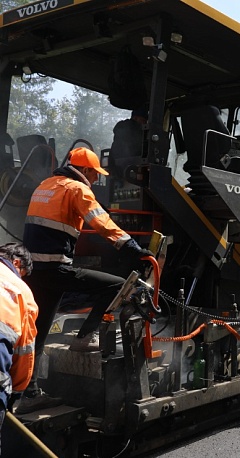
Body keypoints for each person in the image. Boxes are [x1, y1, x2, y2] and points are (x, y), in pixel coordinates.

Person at [16, 147, 152, 414]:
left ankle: (29, 393)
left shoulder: (45, 185)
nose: (96, 179)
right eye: (95, 174)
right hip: (56, 267)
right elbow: (101, 222)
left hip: (33, 270)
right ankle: (84, 338)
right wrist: (133, 249)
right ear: (87, 170)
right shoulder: (78, 189)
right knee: (114, 285)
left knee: (38, 331)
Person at [0, 243, 37, 452]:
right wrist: (16, 394)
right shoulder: (20, 289)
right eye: (22, 273)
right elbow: (25, 351)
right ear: (16, 263)